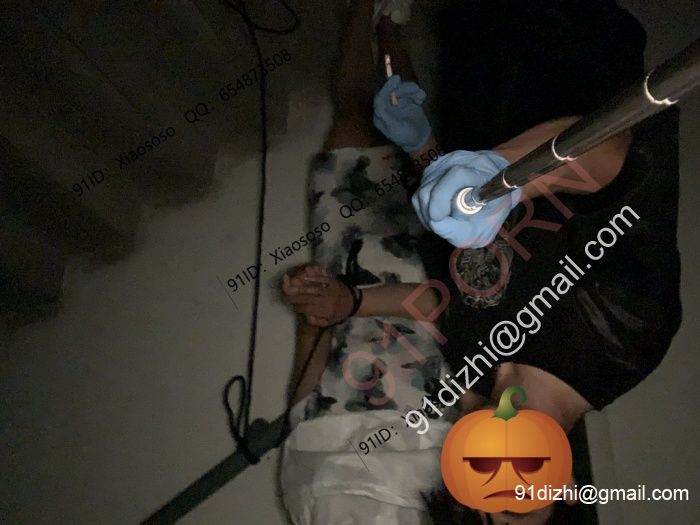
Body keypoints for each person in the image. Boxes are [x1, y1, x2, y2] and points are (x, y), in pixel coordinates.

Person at [285, 1, 683, 524]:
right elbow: (616, 154)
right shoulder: (626, 342)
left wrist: (423, 148)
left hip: (478, 74)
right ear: (565, 488)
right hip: (567, 49)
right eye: (518, 505)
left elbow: (449, 292)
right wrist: (505, 171)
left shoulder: (471, 378)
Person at [278, 2, 458, 523]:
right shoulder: (452, 493)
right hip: (420, 269)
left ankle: (361, 11)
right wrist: (347, 303)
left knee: (354, 115)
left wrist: (313, 303)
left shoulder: (309, 508)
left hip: (348, 268)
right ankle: (390, 27)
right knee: (413, 129)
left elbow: (305, 392)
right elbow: (447, 306)